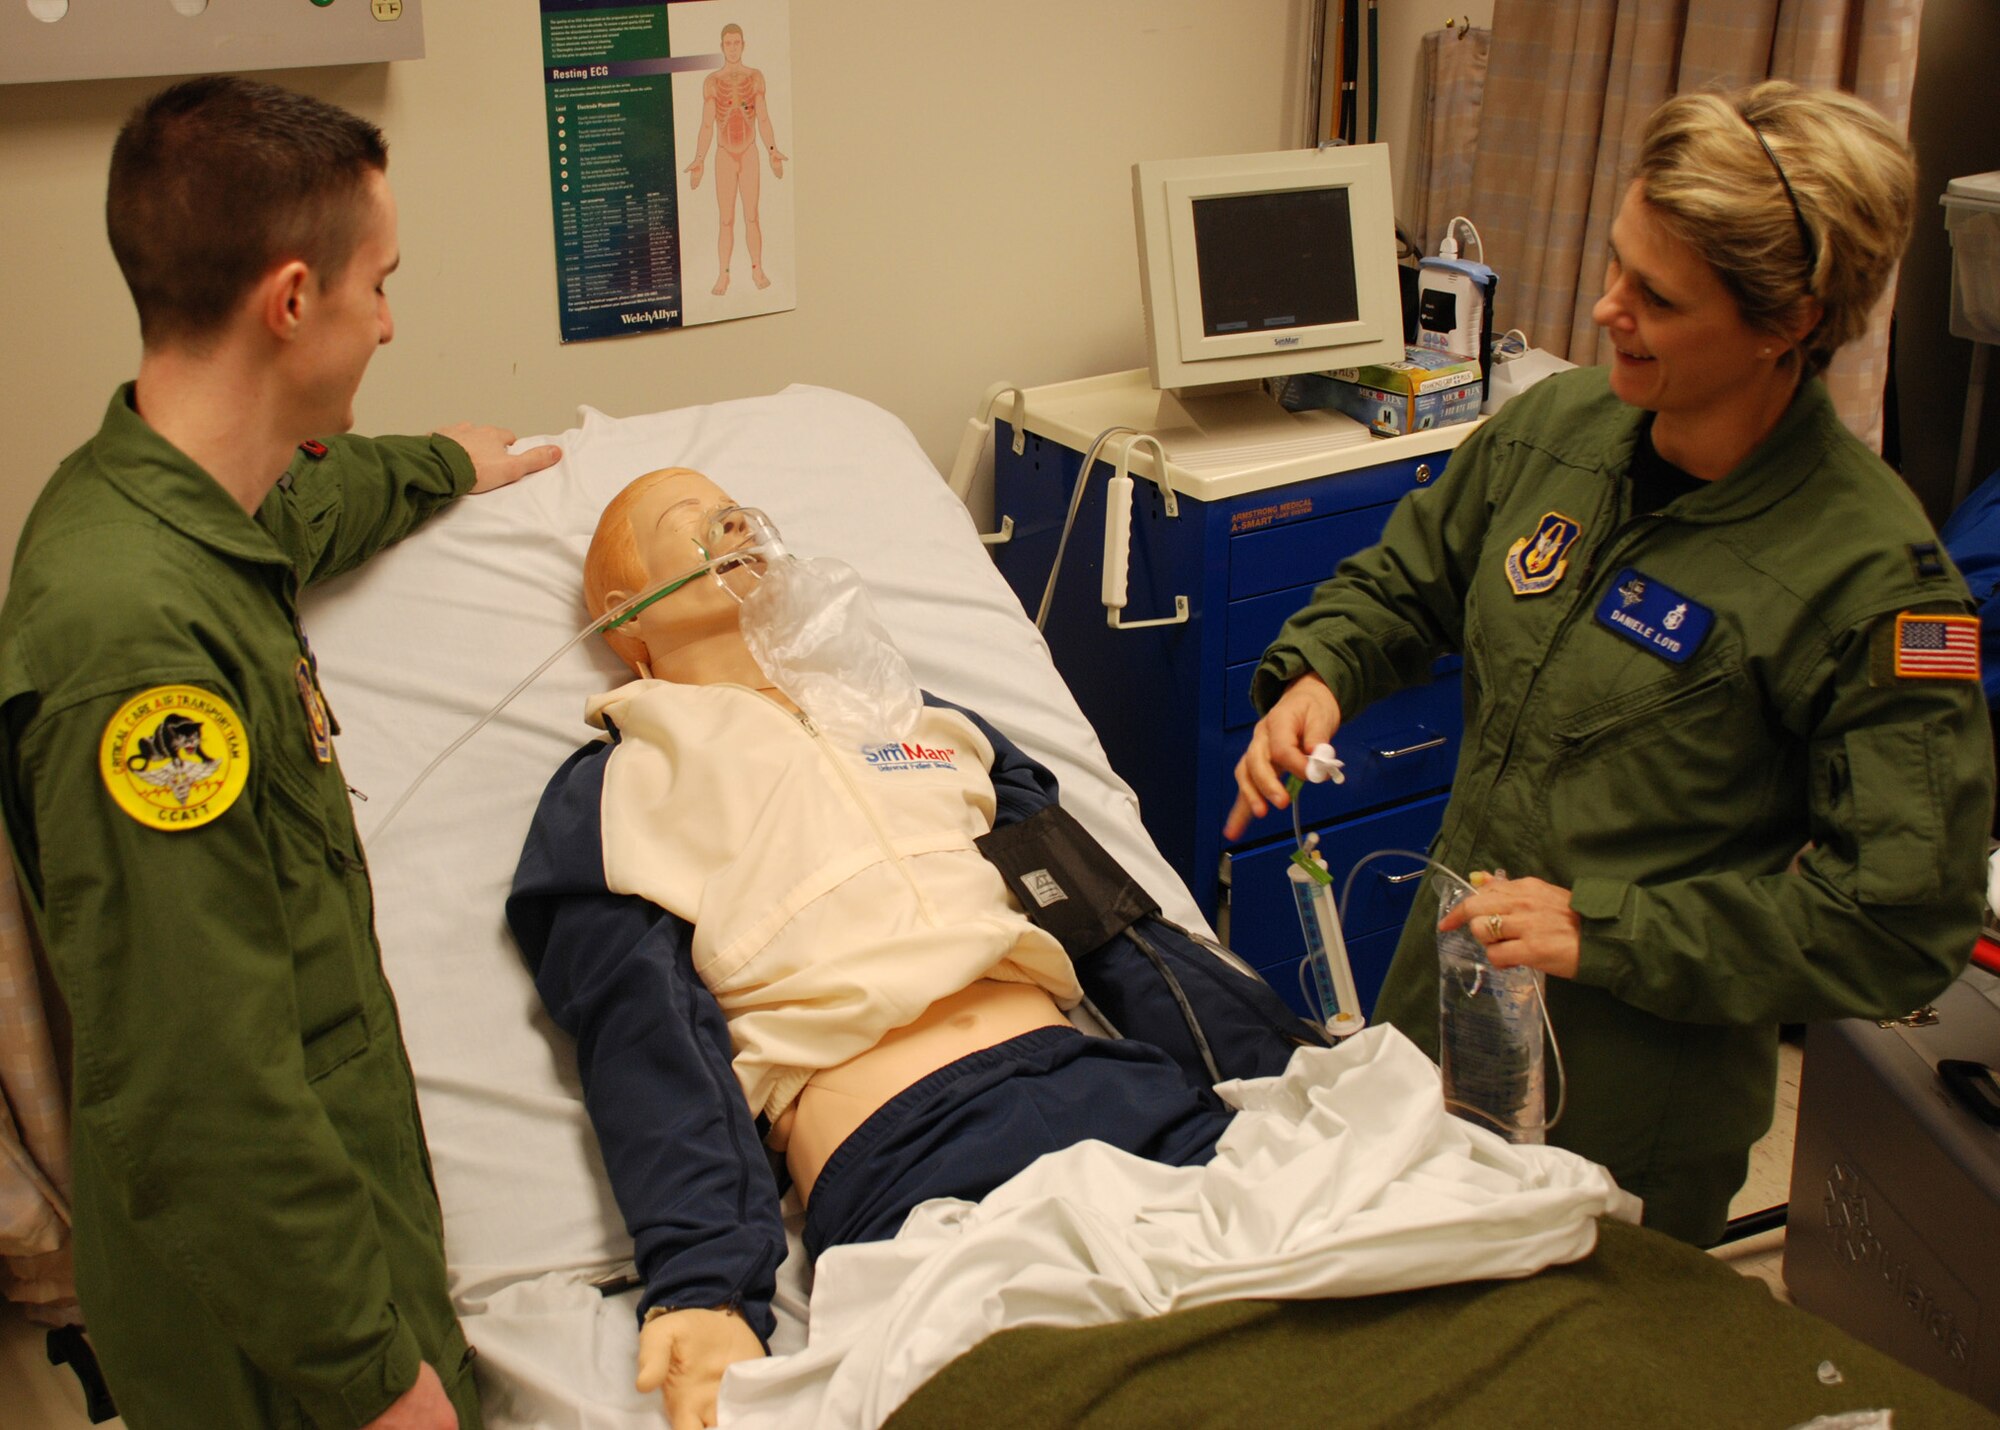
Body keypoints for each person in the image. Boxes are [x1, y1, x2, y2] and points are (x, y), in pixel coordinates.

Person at [1227, 81, 1994, 1246]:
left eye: (1656, 296)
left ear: (1784, 325)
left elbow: (1898, 920)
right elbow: (1407, 582)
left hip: (1625, 1096)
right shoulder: (1561, 431)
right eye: (1616, 265)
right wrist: (1318, 675)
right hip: (1439, 1009)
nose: (1604, 309)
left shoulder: (1870, 584)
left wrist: (1610, 930)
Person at [506, 467, 1323, 1429]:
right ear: (623, 621)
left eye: (734, 509)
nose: (727, 523)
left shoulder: (918, 718)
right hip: (914, 1160)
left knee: (1347, 1350)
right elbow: (644, 1040)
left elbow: (1113, 929)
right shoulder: (619, 787)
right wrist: (706, 1284)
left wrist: (1296, 1079)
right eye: (686, 524)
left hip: (1125, 1099)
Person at [0, 76, 559, 1429]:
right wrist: (376, 1382)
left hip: (335, 1273)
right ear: (293, 299)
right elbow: (205, 1087)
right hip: (276, 1359)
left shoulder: (166, 496)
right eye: (381, 283)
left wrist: (445, 464)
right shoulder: (136, 646)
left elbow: (300, 502)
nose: (390, 320)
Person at [684, 22, 787, 295]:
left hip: (750, 152)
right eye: (728, 43)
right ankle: (723, 274)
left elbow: (763, 116)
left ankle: (757, 269)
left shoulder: (755, 77)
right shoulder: (712, 82)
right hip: (724, 155)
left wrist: (772, 150)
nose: (732, 47)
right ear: (721, 46)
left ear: (744, 45)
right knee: (726, 219)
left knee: (752, 216)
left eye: (737, 42)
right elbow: (707, 124)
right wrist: (699, 159)